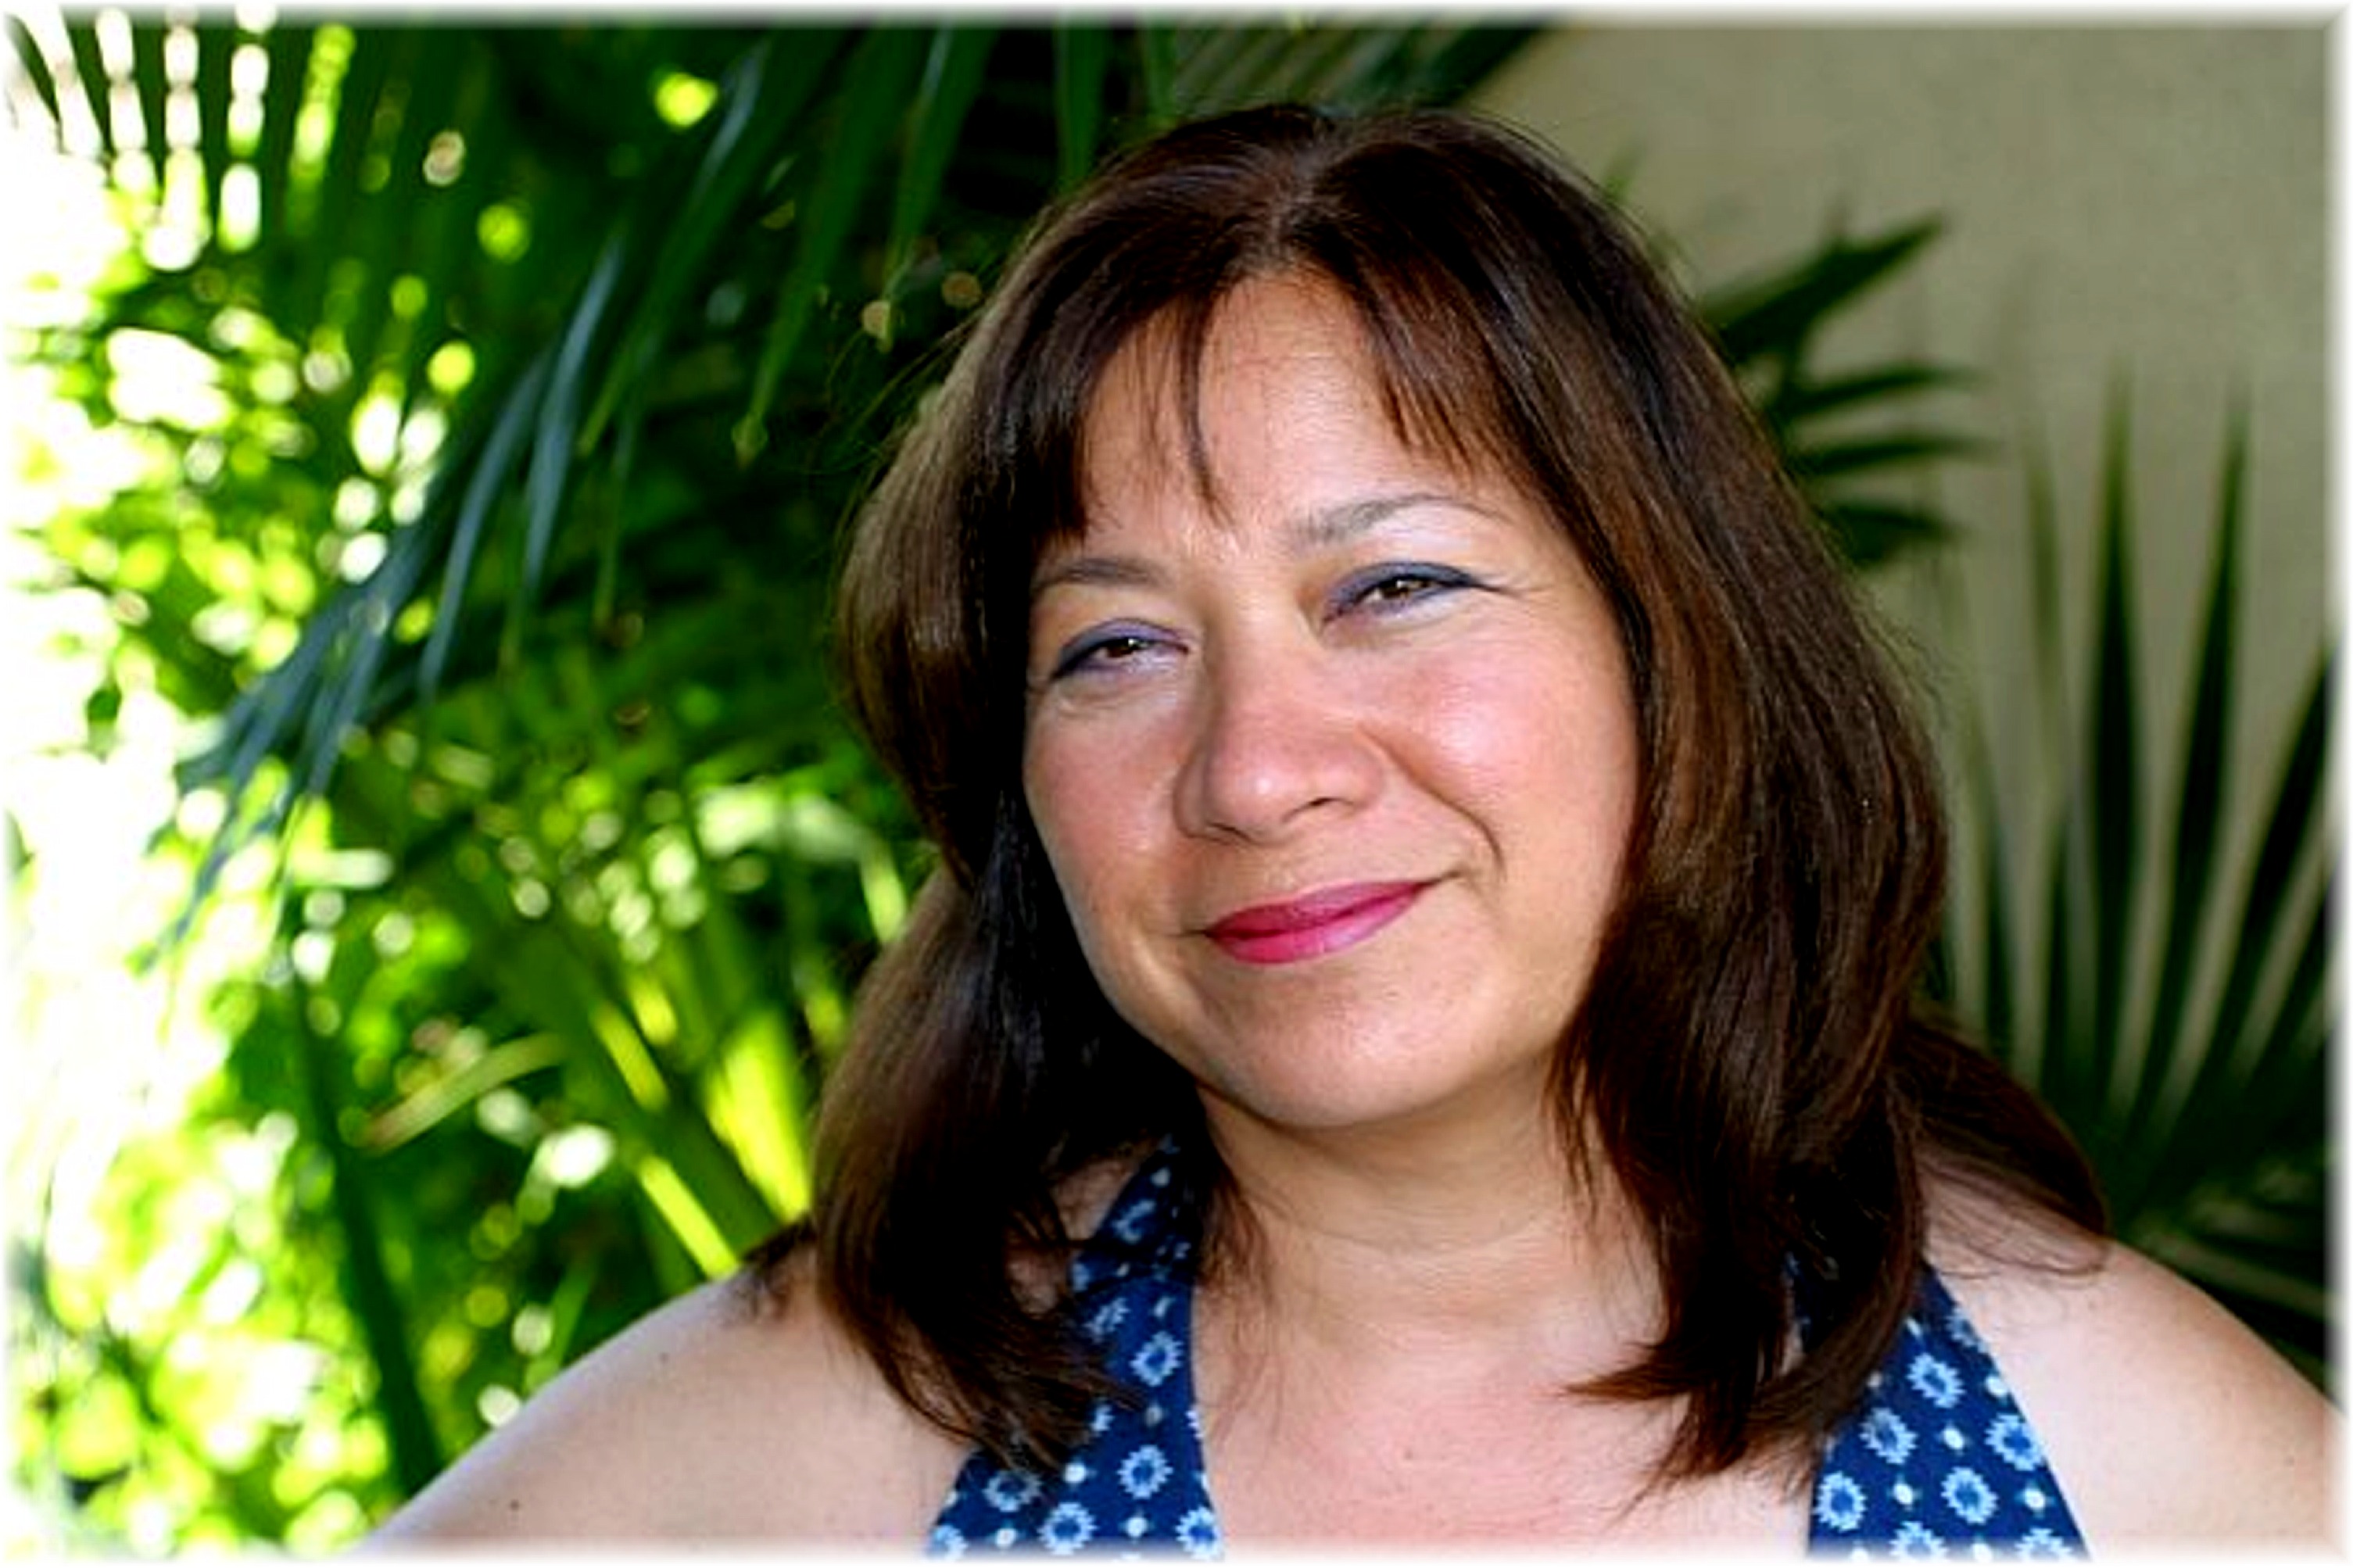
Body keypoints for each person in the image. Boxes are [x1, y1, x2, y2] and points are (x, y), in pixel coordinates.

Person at [368, 102, 2334, 1553]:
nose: (1251, 770)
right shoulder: (831, 1440)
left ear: (1675, 650)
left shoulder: (2145, 1467)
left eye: (1391, 587)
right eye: (1114, 645)